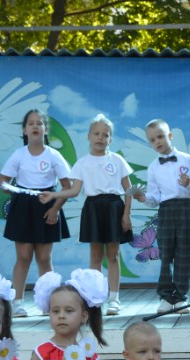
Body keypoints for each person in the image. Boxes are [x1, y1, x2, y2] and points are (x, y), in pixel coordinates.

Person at [39, 114, 133, 316]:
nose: (100, 137)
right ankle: (96, 297)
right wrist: (54, 194)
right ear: (89, 136)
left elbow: (129, 190)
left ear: (111, 139)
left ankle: (114, 298)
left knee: (113, 255)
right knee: (95, 256)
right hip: (92, 208)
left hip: (115, 207)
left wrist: (127, 214)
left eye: (105, 135)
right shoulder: (82, 163)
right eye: (96, 133)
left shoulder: (117, 160)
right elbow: (74, 191)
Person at [0, 109, 73, 317]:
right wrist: (6, 187)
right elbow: (2, 179)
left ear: (45, 129)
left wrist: (55, 209)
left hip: (47, 205)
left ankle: (49, 303)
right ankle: (17, 303)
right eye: (30, 123)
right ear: (24, 130)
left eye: (39, 123)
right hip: (23, 206)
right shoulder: (18, 154)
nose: (35, 126)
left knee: (44, 258)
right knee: (23, 257)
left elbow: (67, 187)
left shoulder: (53, 155)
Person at [132, 119, 190, 314]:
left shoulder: (188, 159)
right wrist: (144, 197)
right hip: (166, 210)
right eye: (152, 140)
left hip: (186, 208)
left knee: (185, 253)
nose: (157, 142)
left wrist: (189, 184)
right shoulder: (153, 167)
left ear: (170, 136)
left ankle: (180, 297)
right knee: (166, 253)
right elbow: (154, 197)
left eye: (160, 136)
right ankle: (166, 296)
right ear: (149, 143)